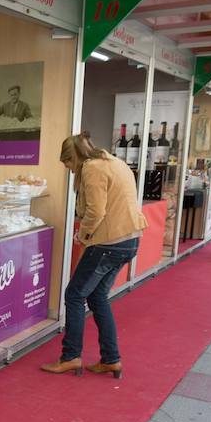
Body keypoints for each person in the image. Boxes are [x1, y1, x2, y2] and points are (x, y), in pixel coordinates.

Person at [42, 133, 148, 379]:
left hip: (109, 242)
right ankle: (111, 359)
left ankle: (70, 357)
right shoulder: (113, 162)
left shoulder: (92, 168)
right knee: (98, 296)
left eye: (67, 164)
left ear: (74, 157)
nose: (68, 170)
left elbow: (96, 210)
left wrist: (84, 234)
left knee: (74, 295)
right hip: (129, 239)